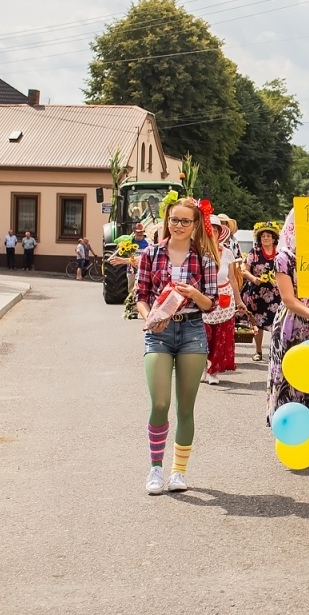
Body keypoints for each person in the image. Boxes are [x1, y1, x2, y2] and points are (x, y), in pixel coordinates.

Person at [136, 198, 220, 494]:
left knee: (186, 407)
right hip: (158, 333)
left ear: (196, 225)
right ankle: (155, 469)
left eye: (186, 221)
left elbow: (211, 304)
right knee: (160, 403)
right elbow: (140, 296)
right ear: (166, 221)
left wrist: (195, 294)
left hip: (192, 331)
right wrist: (151, 318)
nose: (179, 226)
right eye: (174, 220)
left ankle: (178, 472)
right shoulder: (150, 254)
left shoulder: (204, 259)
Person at [265, 211, 309, 442]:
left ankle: (308, 435)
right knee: (288, 380)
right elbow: (288, 299)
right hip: (292, 326)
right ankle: (288, 437)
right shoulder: (284, 257)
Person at [202, 215, 239, 385]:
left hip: (225, 298)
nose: (213, 233)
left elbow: (232, 278)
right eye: (210, 230)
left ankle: (213, 371)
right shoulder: (199, 251)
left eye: (216, 230)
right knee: (203, 336)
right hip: (204, 298)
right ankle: (203, 368)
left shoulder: (228, 253)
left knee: (220, 337)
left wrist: (239, 301)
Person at [240, 221, 282, 363]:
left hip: (277, 294)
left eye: (268, 236)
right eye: (263, 236)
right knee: (258, 324)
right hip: (257, 293)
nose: (265, 238)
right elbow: (244, 270)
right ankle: (258, 351)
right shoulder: (255, 252)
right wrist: (253, 279)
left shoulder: (280, 252)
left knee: (278, 322)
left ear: (274, 238)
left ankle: (275, 351)